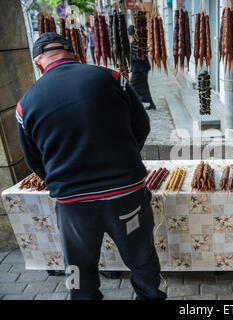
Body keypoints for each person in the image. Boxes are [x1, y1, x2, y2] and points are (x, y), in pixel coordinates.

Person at [16, 32, 166, 301]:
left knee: (77, 268)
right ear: (74, 53)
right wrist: (124, 158)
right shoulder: (111, 78)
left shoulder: (26, 103)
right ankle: (150, 296)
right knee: (141, 257)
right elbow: (141, 125)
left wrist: (59, 180)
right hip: (125, 194)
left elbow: (33, 159)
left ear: (39, 63)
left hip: (73, 203)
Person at [128, 25, 156, 110]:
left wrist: (129, 57)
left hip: (139, 69)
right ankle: (151, 104)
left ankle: (134, 105)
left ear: (131, 34)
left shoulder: (136, 43)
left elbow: (140, 56)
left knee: (132, 86)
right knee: (144, 87)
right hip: (142, 68)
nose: (129, 36)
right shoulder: (138, 42)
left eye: (129, 34)